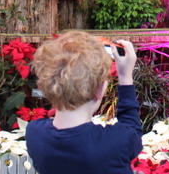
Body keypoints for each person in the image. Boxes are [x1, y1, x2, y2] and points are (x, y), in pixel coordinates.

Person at [26, 31, 142, 174]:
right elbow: (133, 130)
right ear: (98, 91)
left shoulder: (35, 134)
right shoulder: (115, 142)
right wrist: (125, 78)